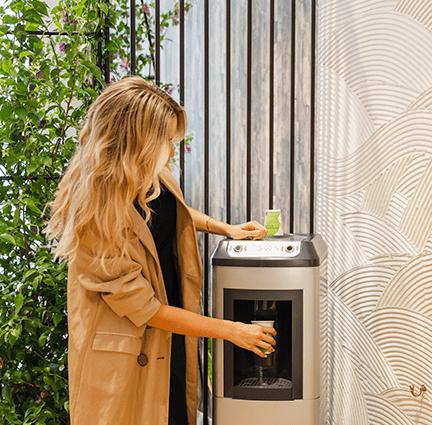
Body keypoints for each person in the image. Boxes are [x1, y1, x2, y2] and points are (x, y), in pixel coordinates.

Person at [45, 76, 276, 425]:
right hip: (127, 353)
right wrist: (231, 331)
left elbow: (171, 212)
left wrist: (224, 228)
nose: (171, 151)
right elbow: (147, 309)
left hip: (168, 334)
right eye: (165, 140)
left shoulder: (147, 173)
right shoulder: (93, 216)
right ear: (134, 140)